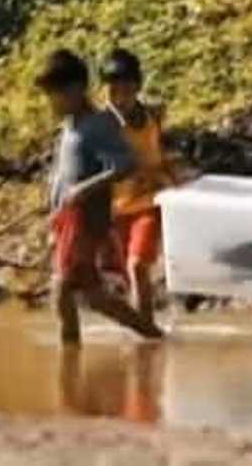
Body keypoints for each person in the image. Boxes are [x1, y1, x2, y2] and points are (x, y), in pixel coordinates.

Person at [38, 49, 164, 344]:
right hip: (68, 218)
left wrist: (83, 190)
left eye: (54, 95)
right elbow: (62, 175)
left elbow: (125, 165)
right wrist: (54, 211)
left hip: (85, 218)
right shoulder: (71, 127)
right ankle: (152, 336)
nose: (51, 103)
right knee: (93, 296)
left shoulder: (98, 125)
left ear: (74, 91)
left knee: (62, 287)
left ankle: (68, 359)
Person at [101, 49, 177, 325]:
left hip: (149, 201)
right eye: (112, 88)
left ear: (137, 87)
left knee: (137, 266)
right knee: (124, 274)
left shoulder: (152, 116)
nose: (119, 96)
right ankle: (143, 328)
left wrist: (173, 176)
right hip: (115, 208)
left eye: (125, 88)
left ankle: (145, 330)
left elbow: (162, 151)